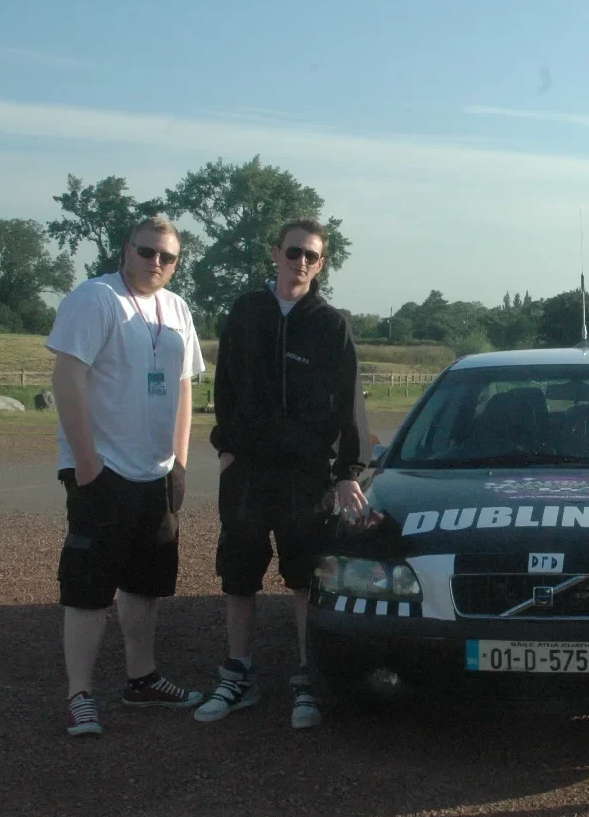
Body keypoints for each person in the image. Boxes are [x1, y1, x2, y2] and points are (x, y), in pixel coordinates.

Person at [195, 217, 368, 729]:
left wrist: (348, 472)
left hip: (306, 475)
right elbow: (224, 385)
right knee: (239, 575)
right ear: (275, 253)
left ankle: (306, 678)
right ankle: (238, 674)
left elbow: (350, 402)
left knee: (304, 580)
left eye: (311, 256)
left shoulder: (330, 324)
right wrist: (226, 448)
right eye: (293, 252)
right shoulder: (247, 312)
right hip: (247, 469)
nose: (300, 263)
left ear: (322, 263)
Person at [48, 214, 206, 737]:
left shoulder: (177, 308)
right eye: (146, 252)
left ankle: (142, 679)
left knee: (146, 585)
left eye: (167, 257)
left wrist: (179, 461)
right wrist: (87, 460)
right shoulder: (95, 299)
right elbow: (67, 376)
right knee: (89, 589)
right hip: (104, 470)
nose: (155, 263)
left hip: (157, 473)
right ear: (126, 250)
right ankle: (80, 695)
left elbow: (184, 387)